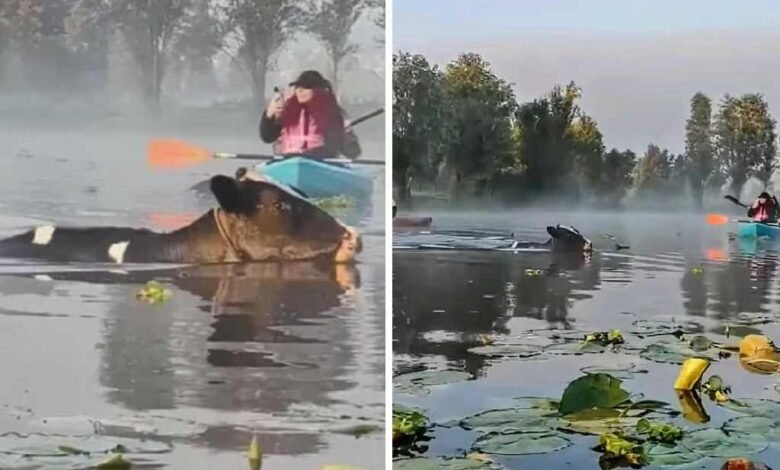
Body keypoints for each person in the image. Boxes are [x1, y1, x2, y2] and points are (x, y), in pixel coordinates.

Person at [259, 70, 361, 160]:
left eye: (306, 87)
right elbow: (267, 137)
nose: (300, 90)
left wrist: (344, 138)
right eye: (298, 87)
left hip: (321, 163)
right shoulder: (286, 112)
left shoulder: (334, 114)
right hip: (288, 161)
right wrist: (269, 114)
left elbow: (353, 152)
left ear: (318, 90)